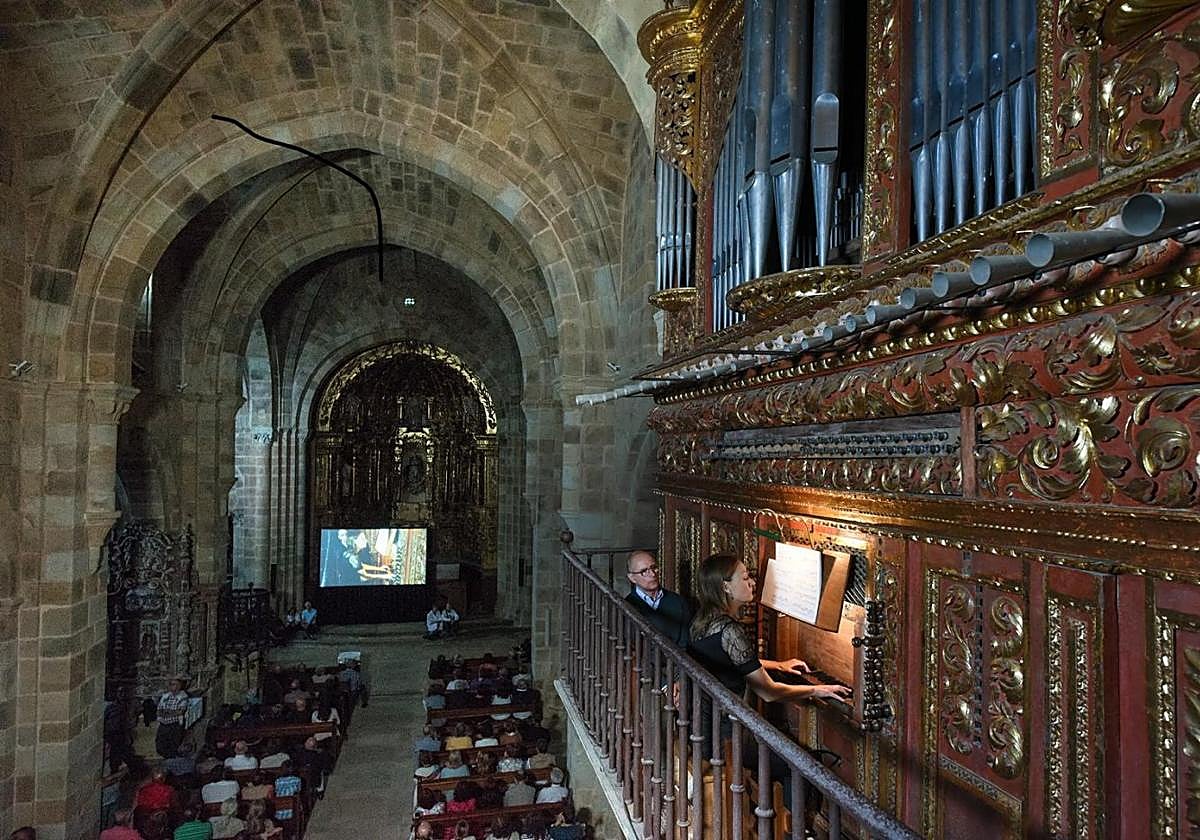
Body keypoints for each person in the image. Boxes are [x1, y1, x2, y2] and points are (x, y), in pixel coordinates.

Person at [689, 553, 852, 801]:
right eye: (744, 578)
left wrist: (779, 664)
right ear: (726, 587)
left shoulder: (701, 621)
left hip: (704, 725)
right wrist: (817, 690)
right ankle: (793, 830)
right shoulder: (730, 630)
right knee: (799, 766)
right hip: (726, 738)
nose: (753, 583)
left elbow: (729, 660)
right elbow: (768, 691)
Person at [624, 550, 691, 647]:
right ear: (632, 578)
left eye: (654, 568)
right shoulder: (627, 607)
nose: (652, 574)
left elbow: (685, 641)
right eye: (644, 571)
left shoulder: (678, 602)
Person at [155, 676, 191, 759]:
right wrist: (168, 712)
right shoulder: (165, 696)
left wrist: (166, 712)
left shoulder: (183, 696)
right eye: (171, 684)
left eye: (174, 684)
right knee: (160, 746)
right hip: (163, 725)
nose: (172, 686)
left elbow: (179, 711)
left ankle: (172, 763)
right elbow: (159, 710)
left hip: (174, 725)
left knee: (173, 747)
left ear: (180, 686)